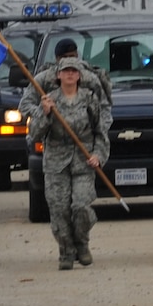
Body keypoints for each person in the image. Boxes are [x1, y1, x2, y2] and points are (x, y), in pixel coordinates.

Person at [31, 58, 112, 270]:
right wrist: (46, 114)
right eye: (65, 71)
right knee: (59, 210)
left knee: (81, 206)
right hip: (56, 163)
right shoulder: (49, 100)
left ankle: (82, 243)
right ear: (58, 75)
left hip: (83, 162)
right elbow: (34, 135)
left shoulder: (90, 99)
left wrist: (98, 155)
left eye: (73, 71)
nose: (69, 74)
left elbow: (100, 132)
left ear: (79, 75)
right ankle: (66, 251)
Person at [36, 36, 110, 103]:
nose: (69, 60)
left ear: (77, 55)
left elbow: (104, 104)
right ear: (57, 58)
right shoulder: (45, 77)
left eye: (72, 56)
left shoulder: (91, 75)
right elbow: (30, 103)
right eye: (64, 57)